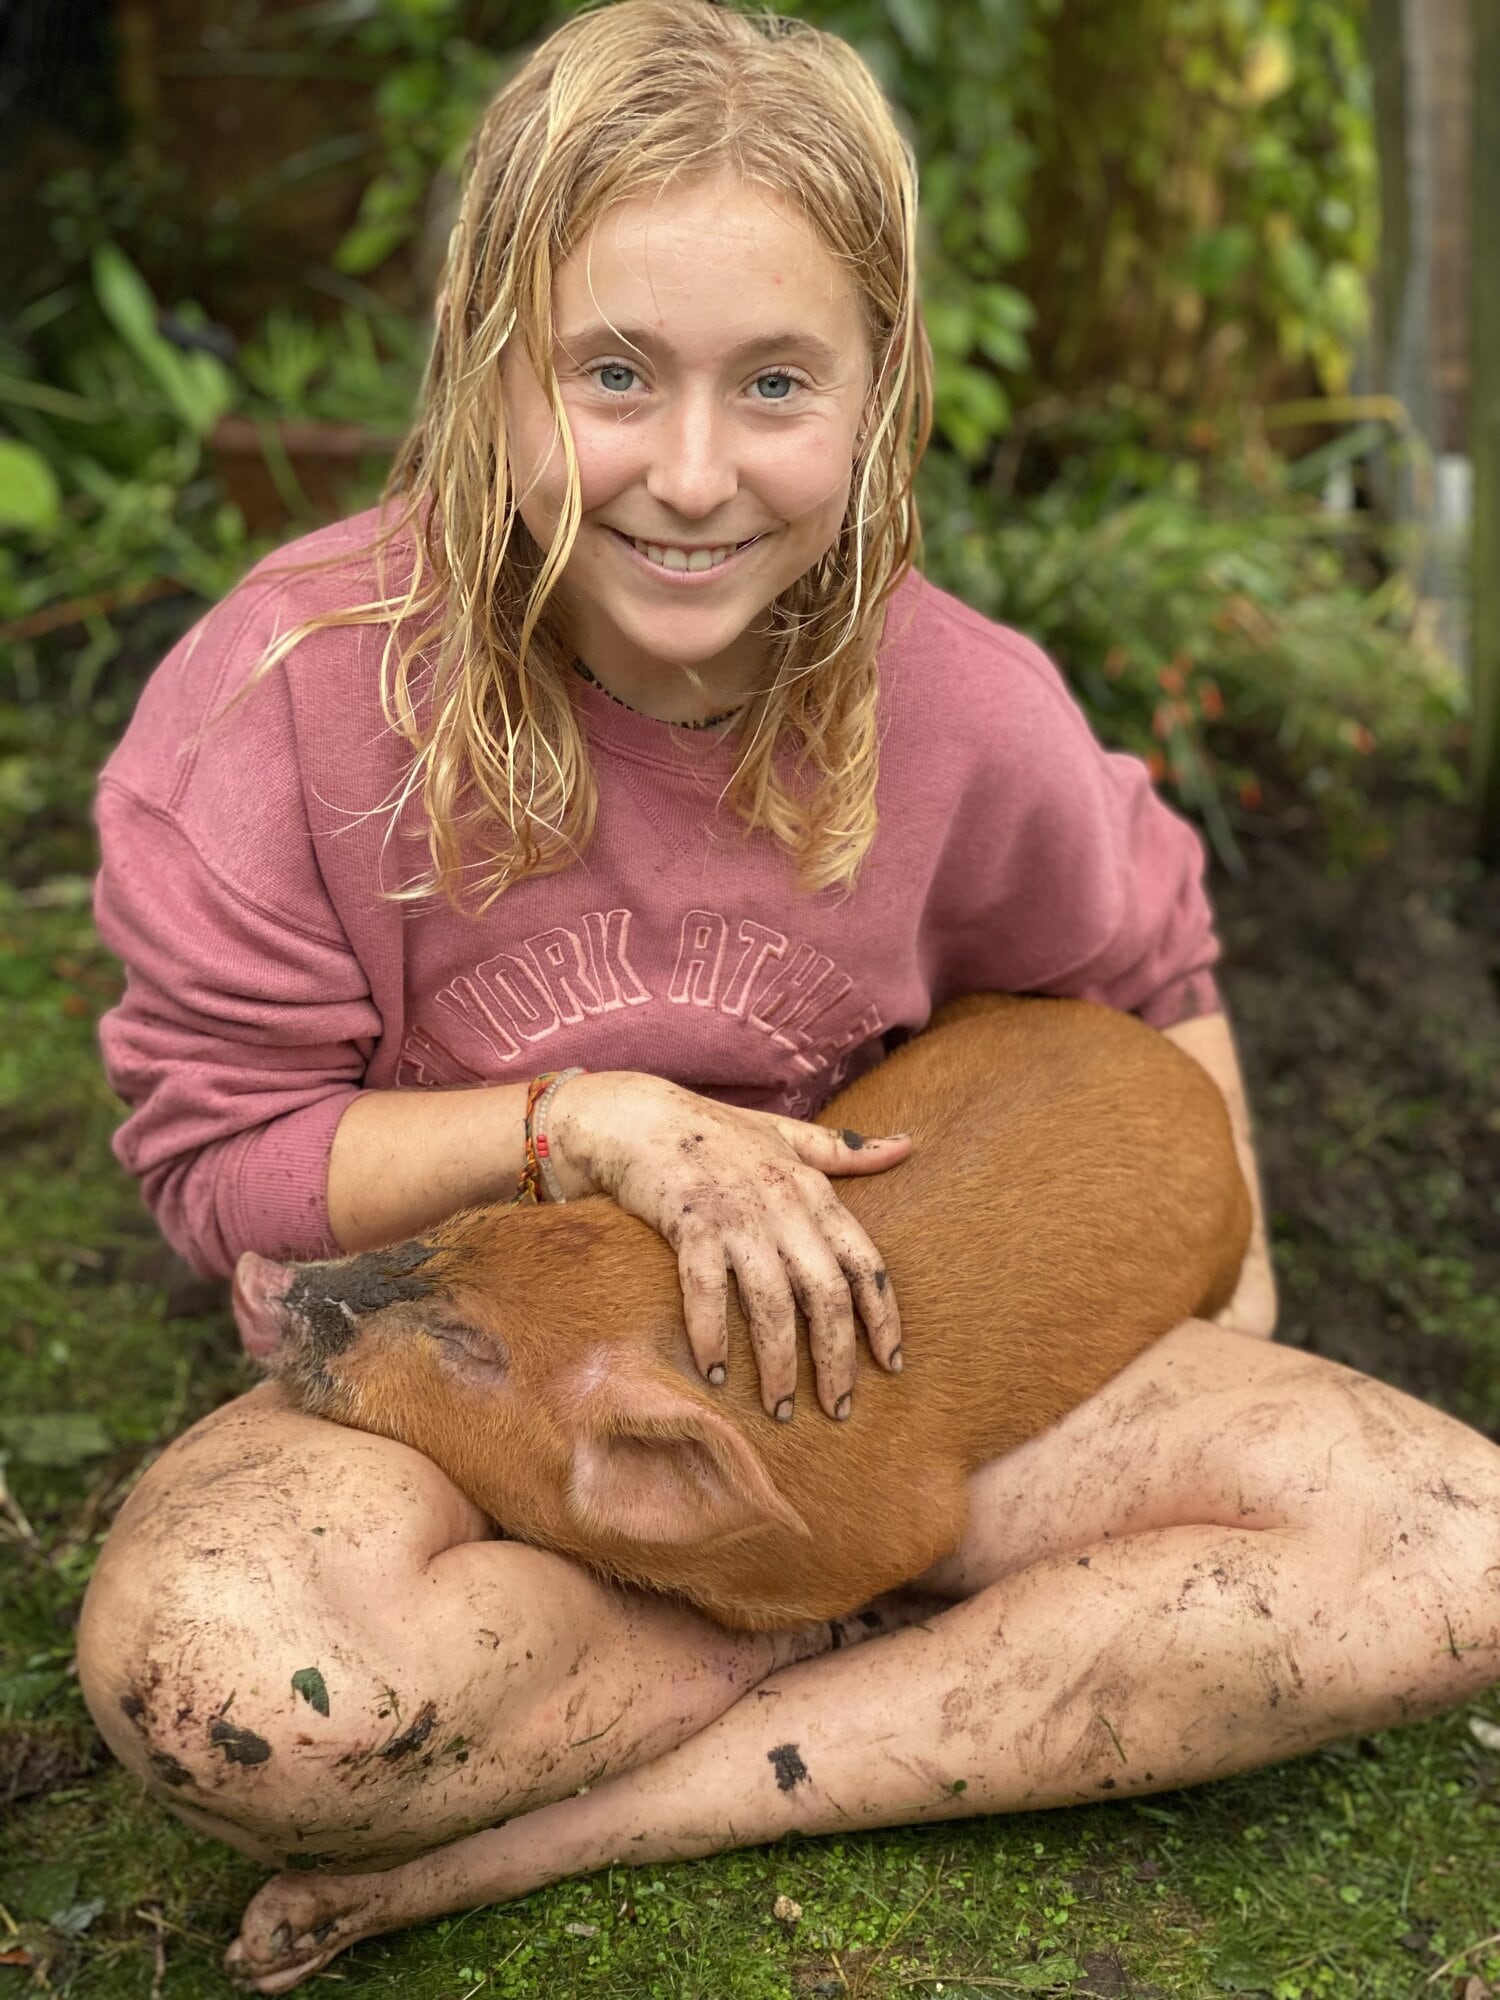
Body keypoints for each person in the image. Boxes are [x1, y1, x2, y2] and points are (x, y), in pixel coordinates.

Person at [78, 2, 1500, 1989]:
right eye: (612, 373)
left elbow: (1140, 963)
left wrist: (1224, 1288)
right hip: (467, 1384)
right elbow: (227, 1164)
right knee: (235, 1677)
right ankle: (862, 1624)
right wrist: (590, 1124)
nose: (686, 470)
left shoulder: (965, 709)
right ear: (489, 368)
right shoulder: (285, 702)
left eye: (773, 383)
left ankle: (699, 1745)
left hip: (906, 1364)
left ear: (883, 392)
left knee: (1462, 1551)